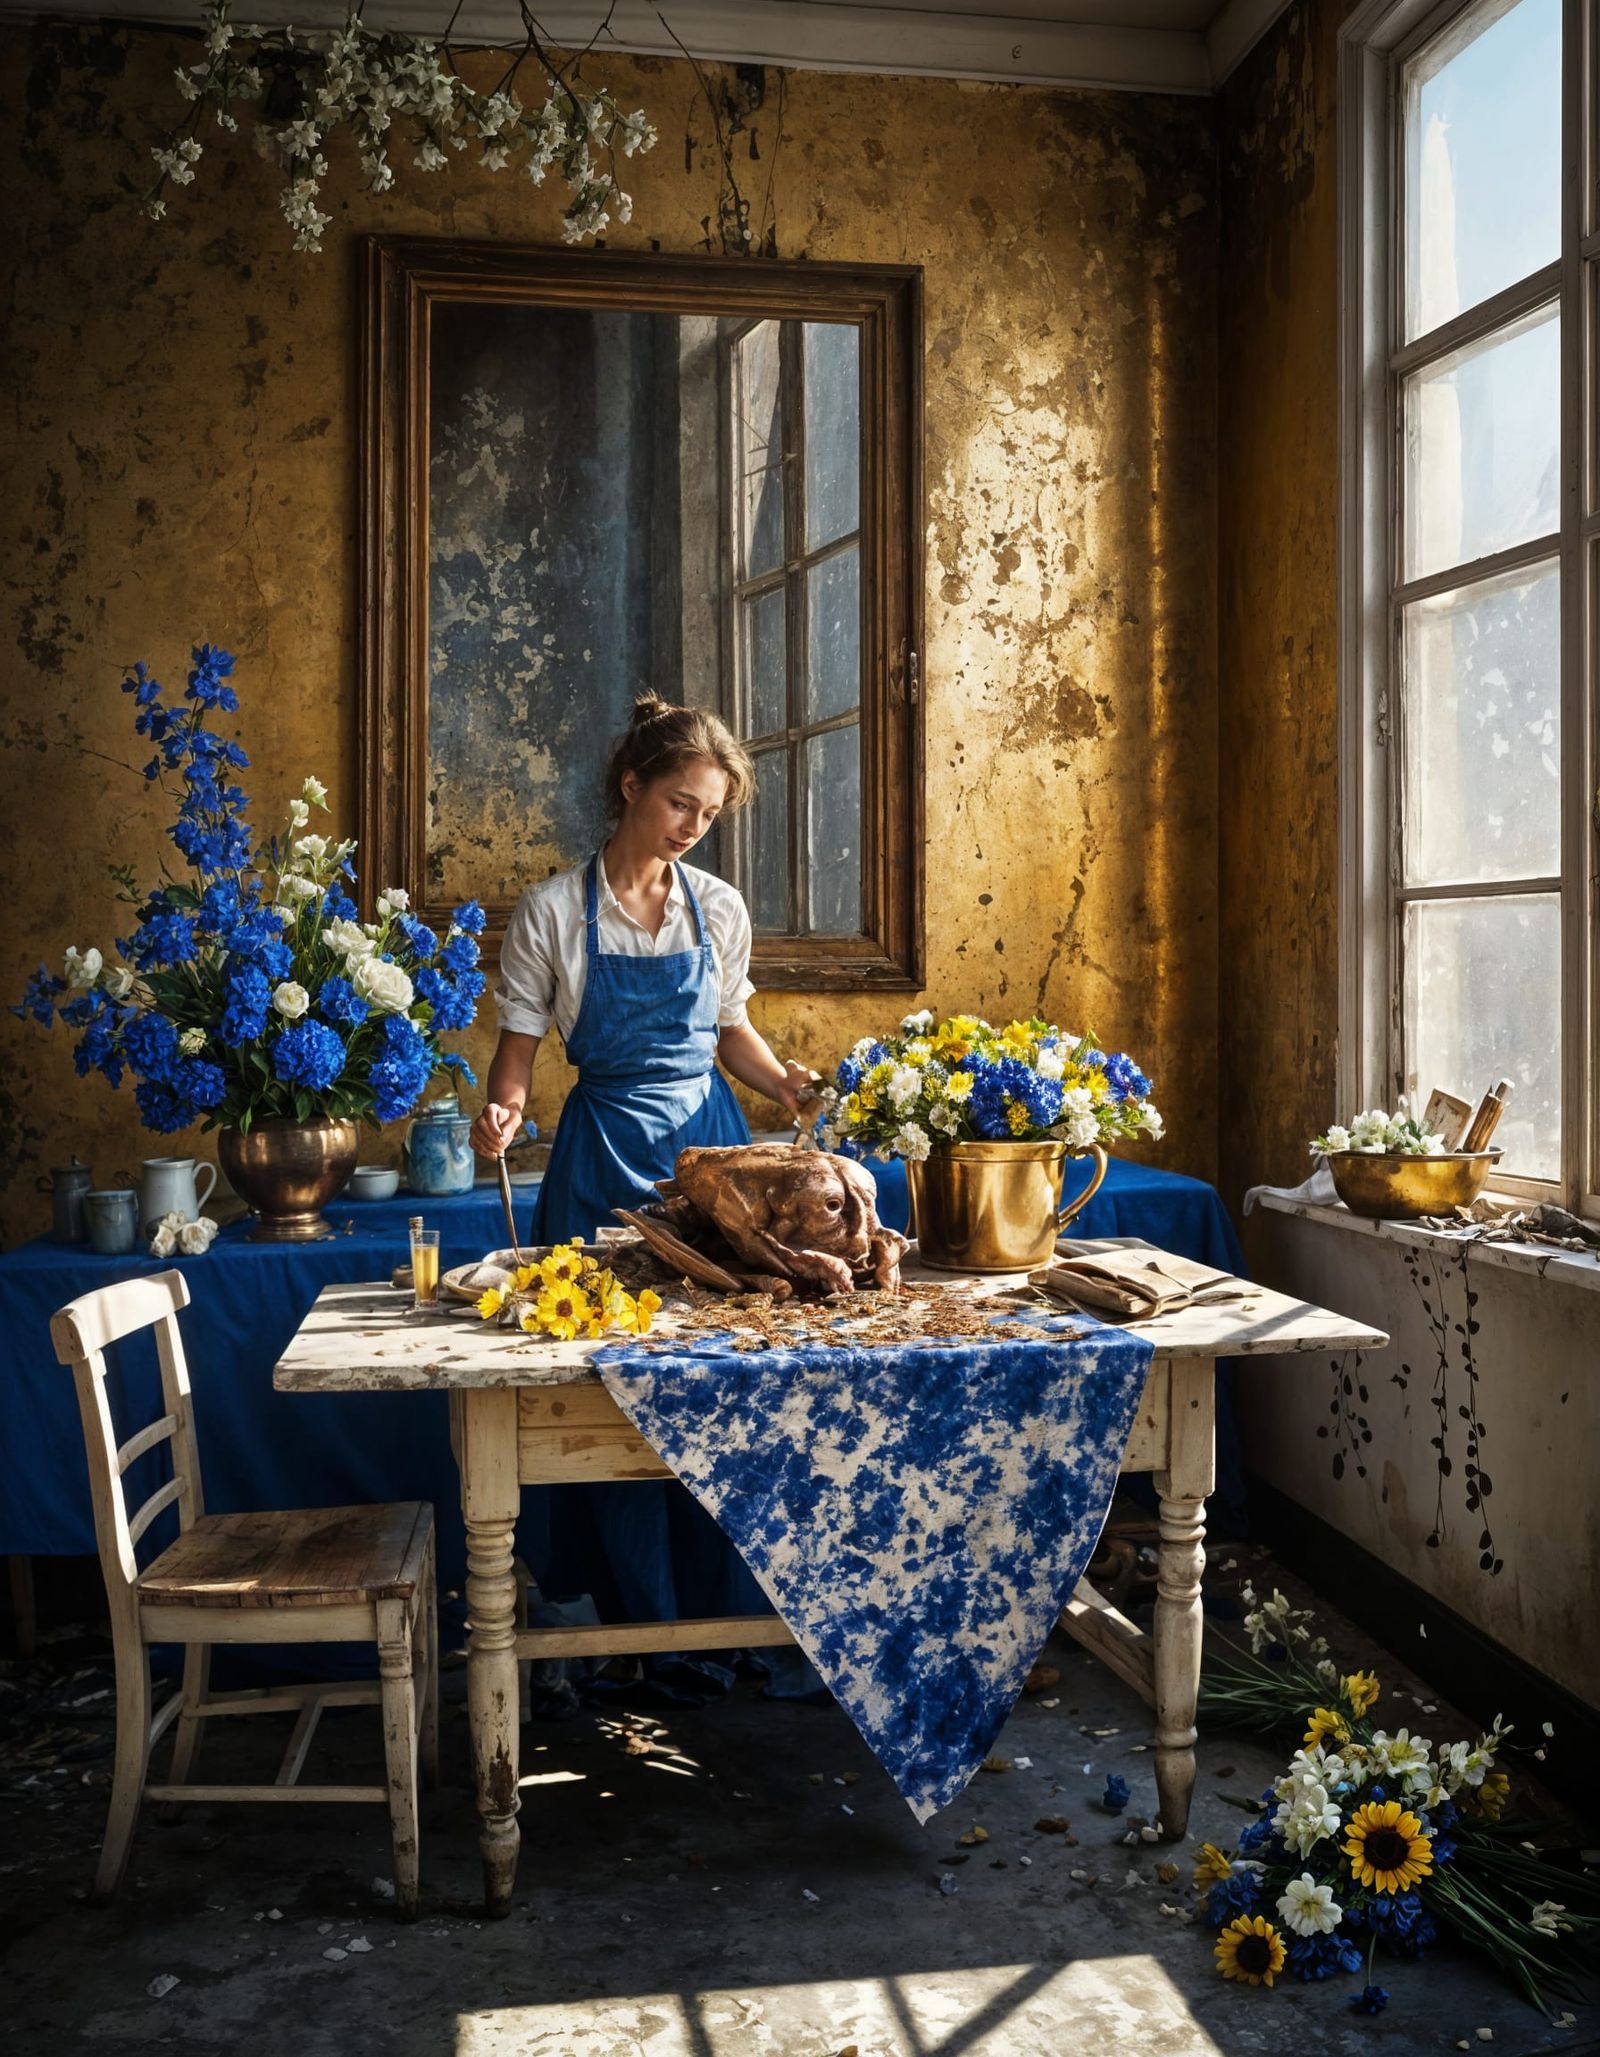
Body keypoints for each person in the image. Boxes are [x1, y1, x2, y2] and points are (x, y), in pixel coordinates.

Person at [469, 696, 818, 1697]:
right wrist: (499, 1117)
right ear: (630, 785)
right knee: (611, 1391)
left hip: (712, 1158)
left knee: (721, 1385)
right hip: (598, 1160)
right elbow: (516, 1064)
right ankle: (634, 1634)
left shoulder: (717, 908)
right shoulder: (549, 912)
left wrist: (779, 1082)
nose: (690, 826)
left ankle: (724, 1621)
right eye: (678, 802)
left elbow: (729, 1032)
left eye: (706, 814)